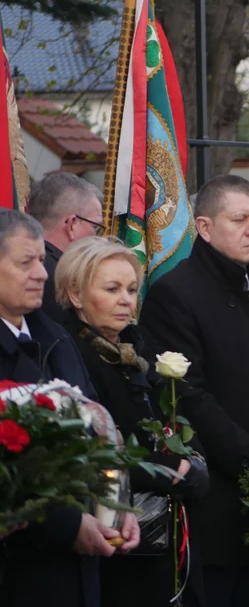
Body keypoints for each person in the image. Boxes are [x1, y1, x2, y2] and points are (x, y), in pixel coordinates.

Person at [139, 175, 249, 607]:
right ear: (204, 227)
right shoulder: (174, 294)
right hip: (215, 500)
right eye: (239, 220)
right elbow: (187, 397)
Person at [55, 236, 209, 607]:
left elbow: (178, 415)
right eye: (112, 289)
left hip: (167, 531)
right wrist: (170, 471)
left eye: (132, 289)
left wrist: (196, 463)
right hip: (113, 532)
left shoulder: (141, 347)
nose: (126, 299)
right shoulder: (67, 354)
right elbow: (90, 451)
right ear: (75, 294)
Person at [0, 209, 139, 607]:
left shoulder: (55, 338)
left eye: (41, 261)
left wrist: (117, 505)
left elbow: (98, 433)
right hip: (19, 573)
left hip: (79, 570)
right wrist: (65, 524)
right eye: (25, 263)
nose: (42, 274)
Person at [26, 173, 104, 323]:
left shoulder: (18, 267)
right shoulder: (62, 281)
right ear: (72, 224)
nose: (98, 238)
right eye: (96, 227)